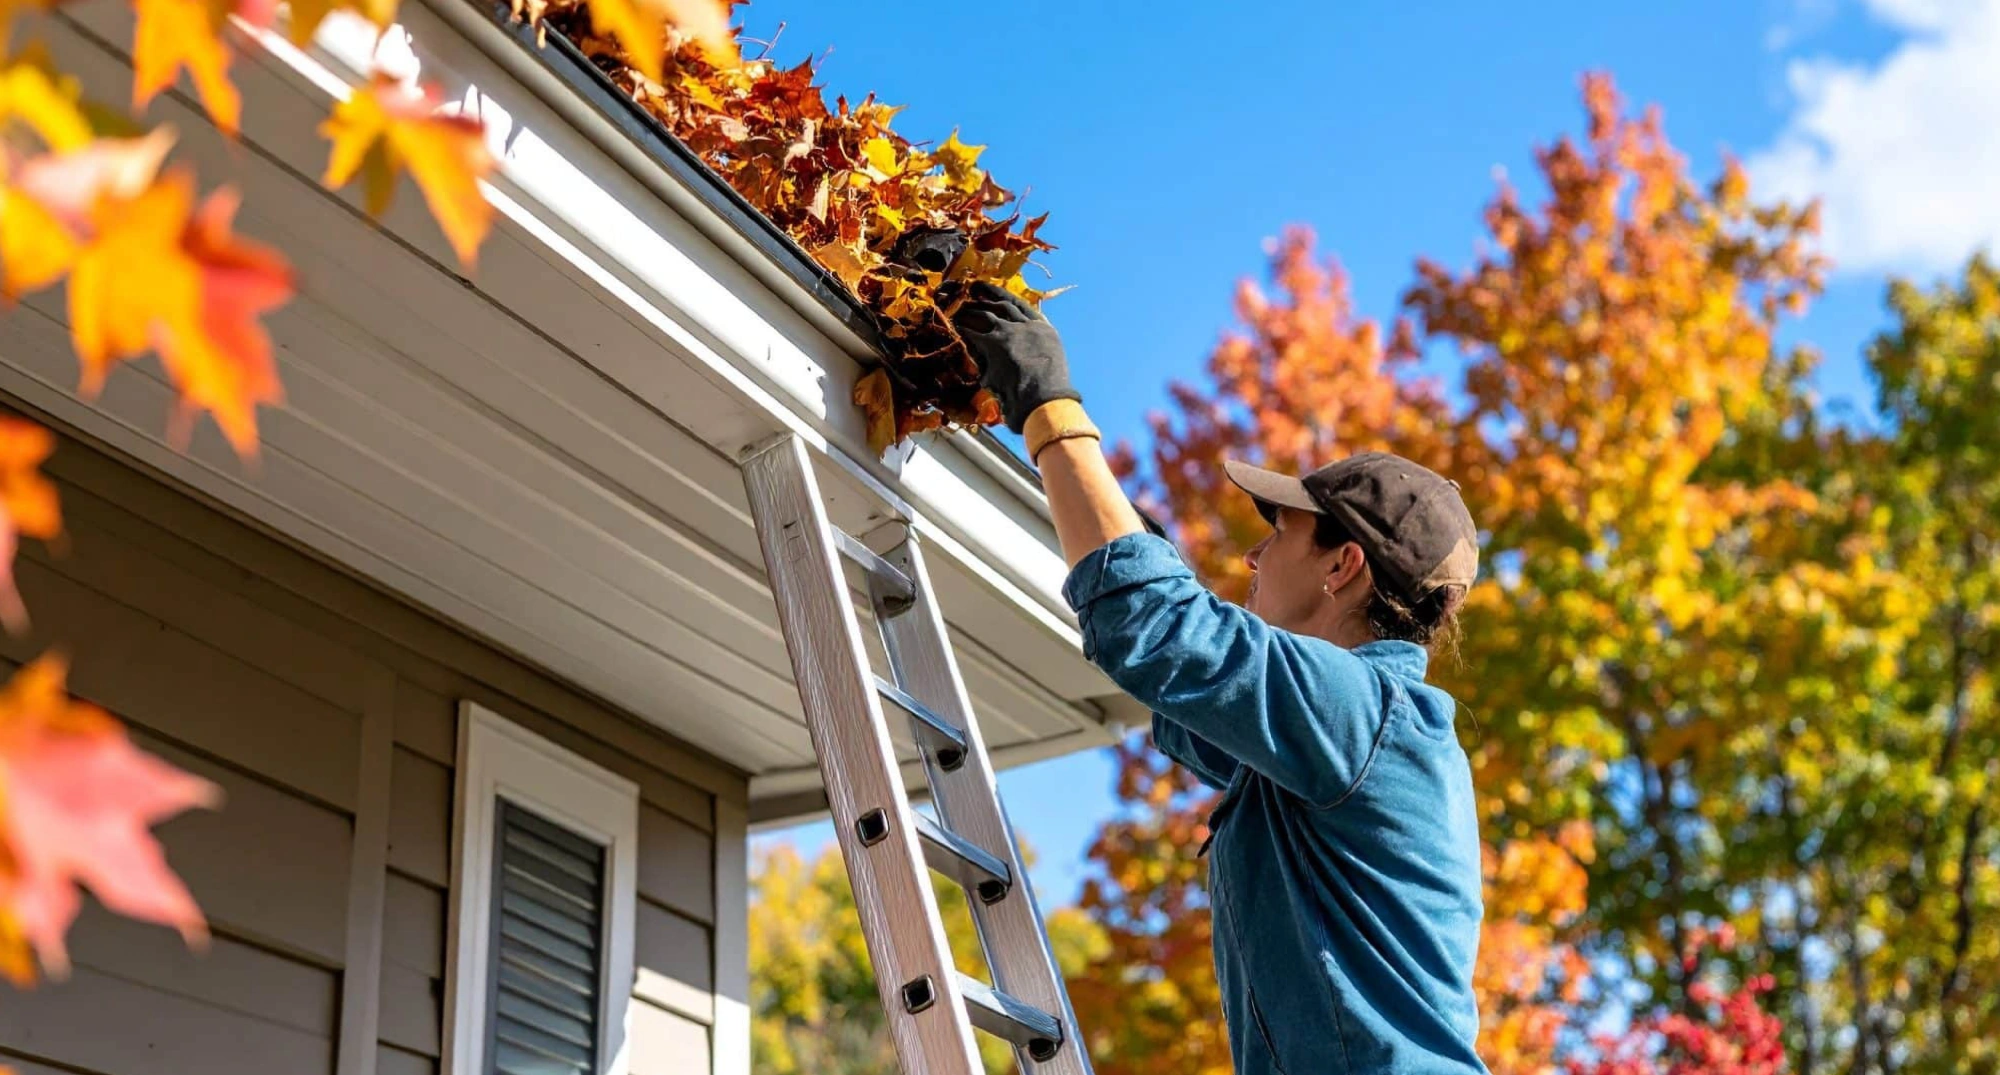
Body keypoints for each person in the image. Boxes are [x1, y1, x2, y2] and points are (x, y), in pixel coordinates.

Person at [952, 282, 1488, 1075]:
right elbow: (1183, 678)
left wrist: (1050, 407)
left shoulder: (1364, 714)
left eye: (1280, 535)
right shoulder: (1347, 733)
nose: (1252, 556)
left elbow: (1158, 628)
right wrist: (1097, 501)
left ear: (1343, 566)